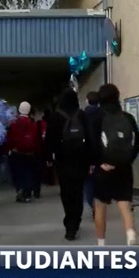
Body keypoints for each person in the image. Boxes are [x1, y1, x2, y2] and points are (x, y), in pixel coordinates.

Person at [90, 84, 139, 246]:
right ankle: (130, 234)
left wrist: (99, 163)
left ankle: (101, 244)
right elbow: (137, 144)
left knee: (100, 207)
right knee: (125, 204)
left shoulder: (97, 118)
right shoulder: (128, 118)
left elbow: (92, 144)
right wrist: (125, 162)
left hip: (103, 170)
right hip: (124, 169)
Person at [45, 89, 93, 240]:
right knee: (78, 193)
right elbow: (91, 138)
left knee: (67, 193)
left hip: (63, 161)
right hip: (81, 160)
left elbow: (50, 139)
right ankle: (76, 222)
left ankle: (69, 224)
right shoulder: (82, 115)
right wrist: (92, 160)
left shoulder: (56, 116)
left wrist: (48, 158)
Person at [6, 101, 40, 203]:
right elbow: (36, 139)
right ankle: (27, 193)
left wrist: (8, 149)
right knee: (28, 173)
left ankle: (20, 191)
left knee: (18, 174)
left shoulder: (14, 123)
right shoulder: (32, 124)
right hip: (29, 153)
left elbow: (10, 138)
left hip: (17, 152)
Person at [83, 91, 102, 217]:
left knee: (88, 182)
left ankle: (92, 204)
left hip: (86, 153)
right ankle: (99, 204)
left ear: (87, 100)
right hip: (101, 153)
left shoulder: (82, 115)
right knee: (99, 181)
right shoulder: (104, 114)